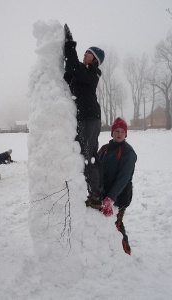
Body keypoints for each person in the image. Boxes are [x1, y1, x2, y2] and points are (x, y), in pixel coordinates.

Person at [63, 24, 105, 204]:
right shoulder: (84, 71)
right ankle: (92, 190)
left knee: (88, 155)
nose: (85, 54)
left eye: (88, 53)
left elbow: (74, 68)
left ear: (95, 59)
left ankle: (96, 194)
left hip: (90, 117)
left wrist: (71, 44)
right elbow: (70, 73)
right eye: (85, 52)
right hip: (84, 118)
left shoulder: (92, 73)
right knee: (85, 153)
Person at [94, 118, 137, 255]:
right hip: (104, 194)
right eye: (116, 131)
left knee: (117, 224)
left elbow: (124, 177)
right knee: (106, 223)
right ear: (112, 133)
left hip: (119, 196)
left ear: (126, 134)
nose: (119, 134)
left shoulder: (128, 152)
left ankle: (125, 253)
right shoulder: (104, 149)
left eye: (122, 132)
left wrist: (111, 198)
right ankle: (109, 250)